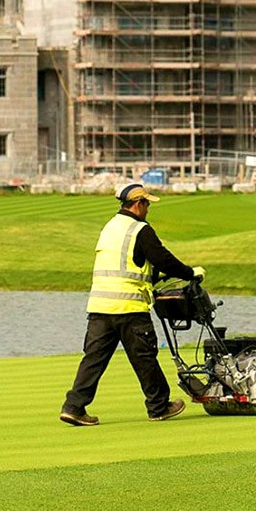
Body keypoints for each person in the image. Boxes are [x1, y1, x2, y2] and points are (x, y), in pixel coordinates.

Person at [59, 182, 200, 427]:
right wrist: (190, 273)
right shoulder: (140, 229)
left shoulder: (110, 227)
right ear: (138, 204)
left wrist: (154, 276)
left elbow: (127, 265)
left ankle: (73, 407)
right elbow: (162, 258)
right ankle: (159, 407)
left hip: (100, 307)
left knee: (93, 359)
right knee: (144, 358)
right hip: (129, 308)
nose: (148, 209)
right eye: (146, 204)